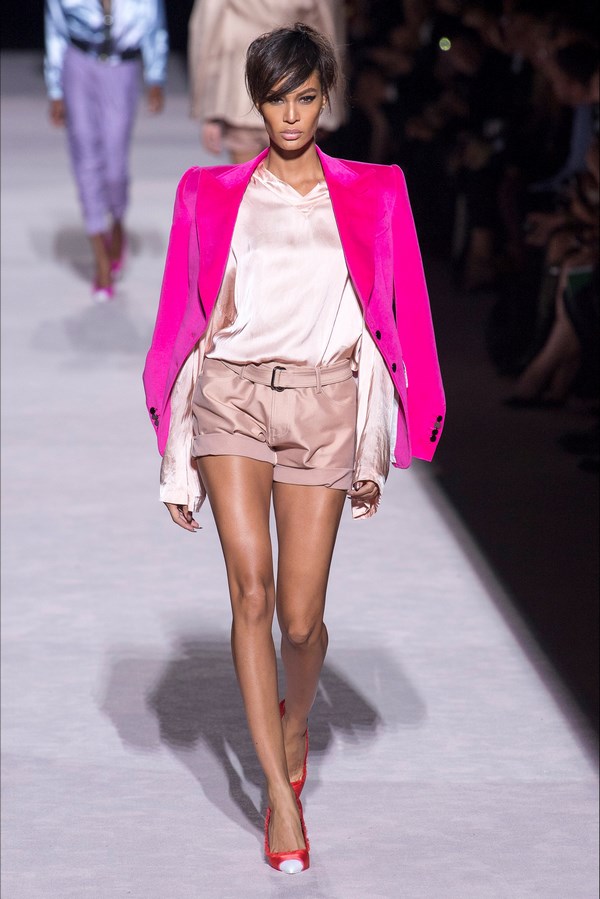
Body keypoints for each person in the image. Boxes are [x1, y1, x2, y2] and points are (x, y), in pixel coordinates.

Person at [143, 24, 445, 874]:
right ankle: (279, 794)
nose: (289, 115)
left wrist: (419, 414)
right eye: (276, 99)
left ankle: (296, 715)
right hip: (233, 394)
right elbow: (179, 313)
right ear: (257, 100)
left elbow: (409, 306)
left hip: (324, 401)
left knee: (301, 618)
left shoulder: (376, 189)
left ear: (326, 98)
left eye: (305, 97)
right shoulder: (208, 191)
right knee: (251, 590)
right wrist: (172, 433)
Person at [44, 0, 168, 302]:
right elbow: (55, 28)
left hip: (122, 69)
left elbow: (154, 26)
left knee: (115, 165)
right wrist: (55, 88)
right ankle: (100, 255)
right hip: (79, 64)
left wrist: (156, 75)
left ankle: (117, 222)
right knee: (85, 156)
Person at [187, 0, 345, 163]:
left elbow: (207, 31)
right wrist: (332, 105)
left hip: (240, 90)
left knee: (247, 175)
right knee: (292, 174)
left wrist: (208, 110)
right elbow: (328, 26)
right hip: (296, 82)